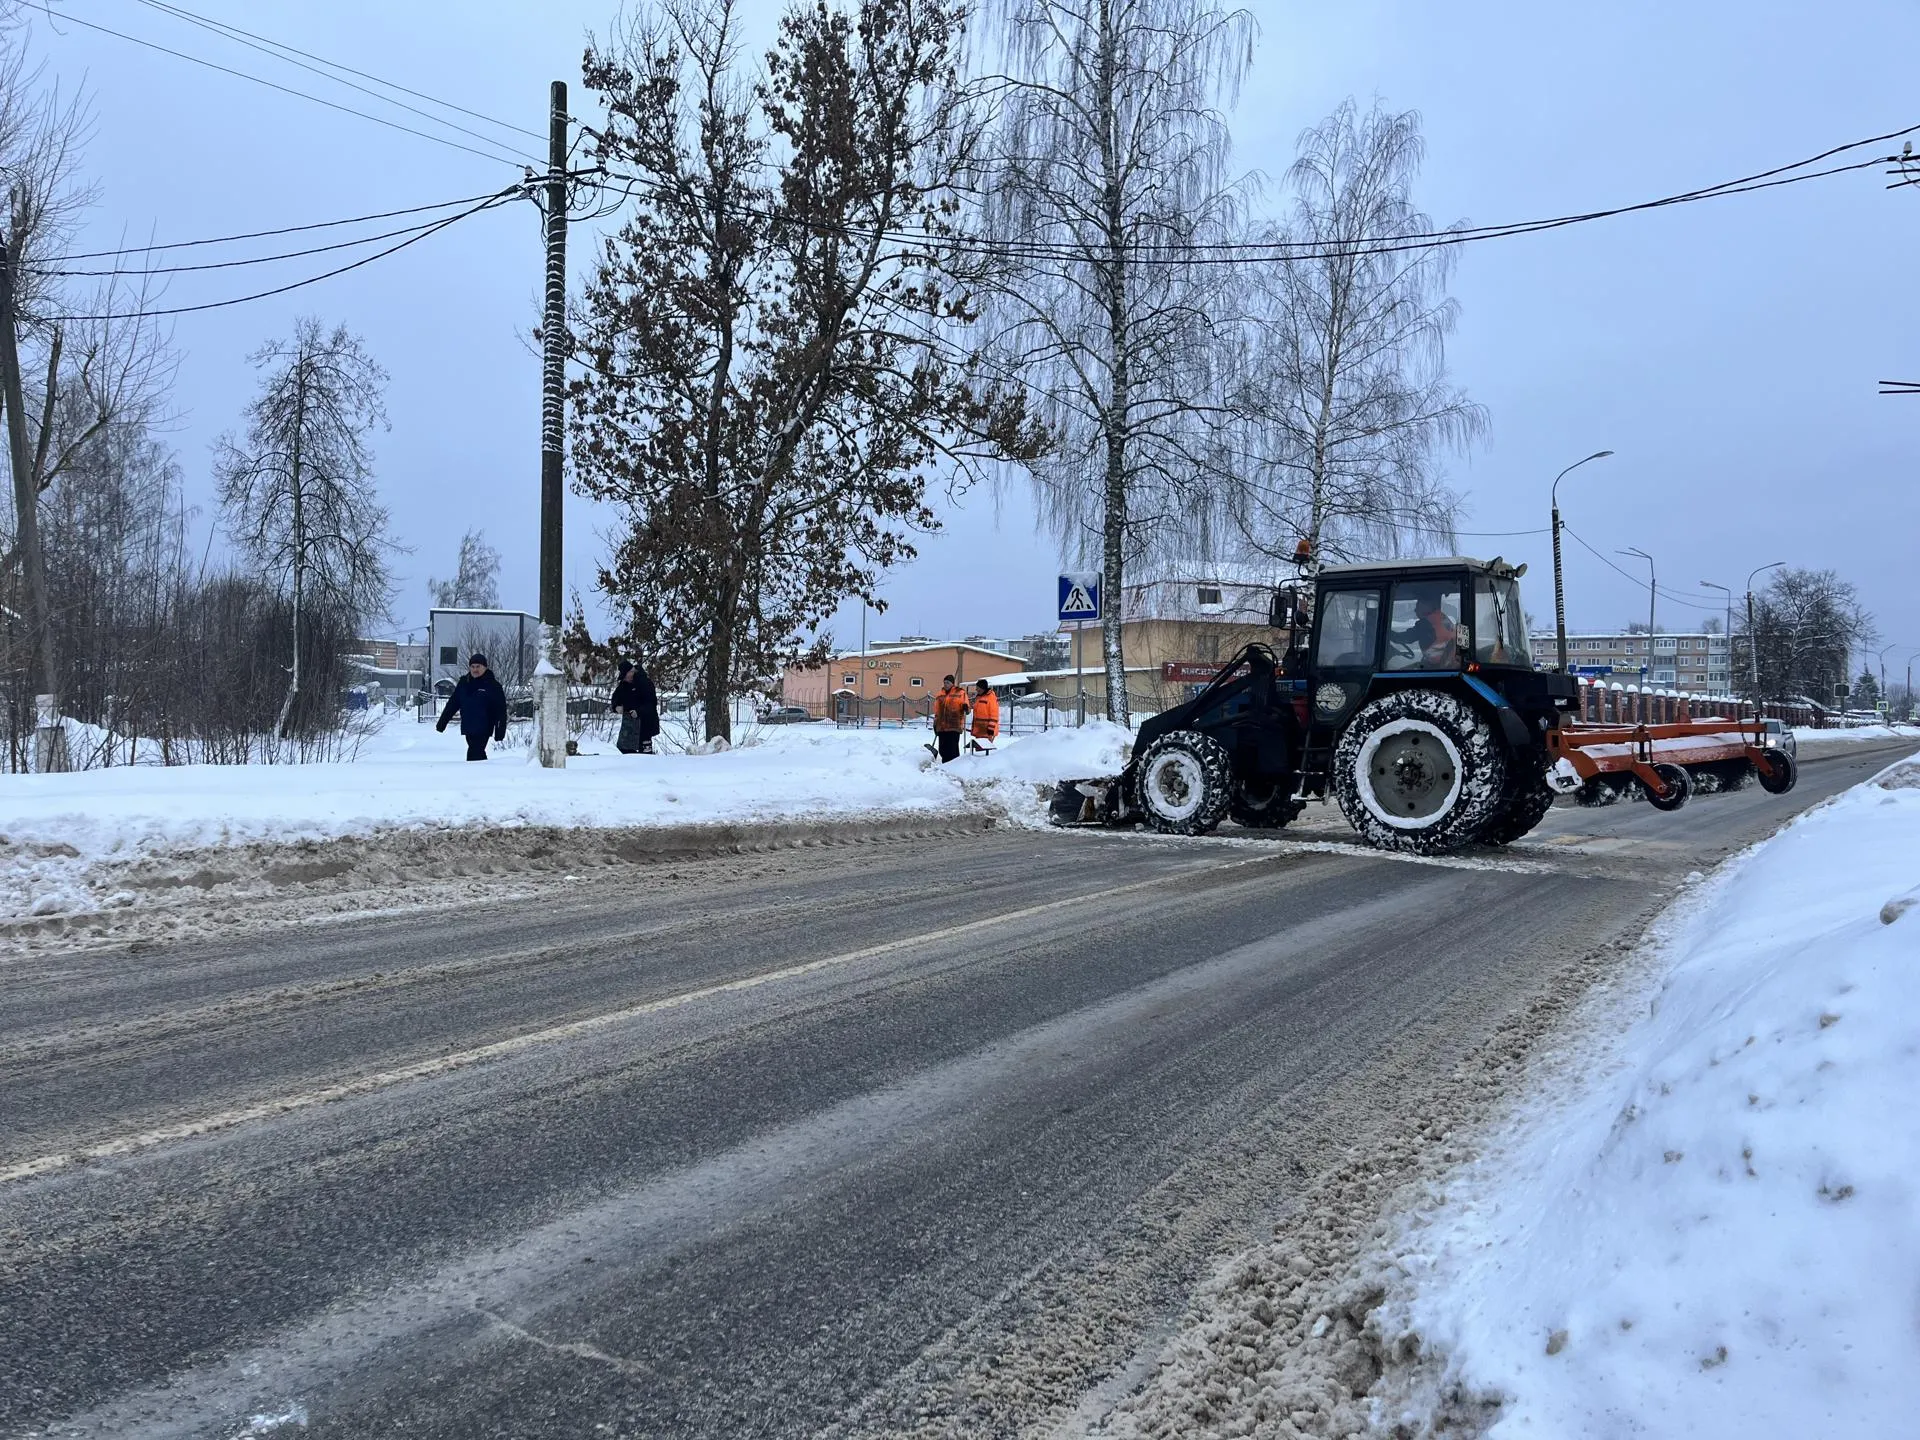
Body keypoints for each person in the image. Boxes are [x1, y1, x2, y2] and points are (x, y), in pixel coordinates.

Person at [436, 653, 508, 761]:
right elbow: (453, 703)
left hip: (484, 726)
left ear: (485, 667)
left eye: (478, 667)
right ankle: (485, 773)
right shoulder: (464, 683)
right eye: (473, 667)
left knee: (474, 752)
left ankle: (474, 774)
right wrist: (442, 723)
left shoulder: (493, 685)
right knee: (476, 753)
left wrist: (500, 731)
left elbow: (501, 710)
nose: (475, 670)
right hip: (468, 725)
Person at [610, 659, 661, 755]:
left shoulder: (645, 683)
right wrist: (616, 706)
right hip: (630, 724)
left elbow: (651, 704)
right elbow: (615, 697)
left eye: (627, 676)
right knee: (624, 748)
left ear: (631, 672)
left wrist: (638, 712)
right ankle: (631, 765)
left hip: (645, 723)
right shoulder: (624, 684)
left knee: (645, 753)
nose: (626, 679)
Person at [931, 673, 969, 763]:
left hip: (954, 725)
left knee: (952, 749)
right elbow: (936, 710)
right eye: (944, 682)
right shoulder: (940, 694)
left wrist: (965, 707)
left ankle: (954, 765)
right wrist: (935, 723)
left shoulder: (960, 692)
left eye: (947, 682)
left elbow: (967, 708)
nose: (945, 684)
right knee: (942, 749)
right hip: (942, 726)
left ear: (952, 683)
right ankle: (945, 764)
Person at [968, 678, 1000, 754]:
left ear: (983, 688)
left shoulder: (990, 698)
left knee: (984, 753)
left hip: (987, 731)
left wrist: (991, 729)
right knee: (979, 752)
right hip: (979, 730)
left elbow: (994, 715)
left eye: (978, 688)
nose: (976, 690)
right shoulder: (979, 697)